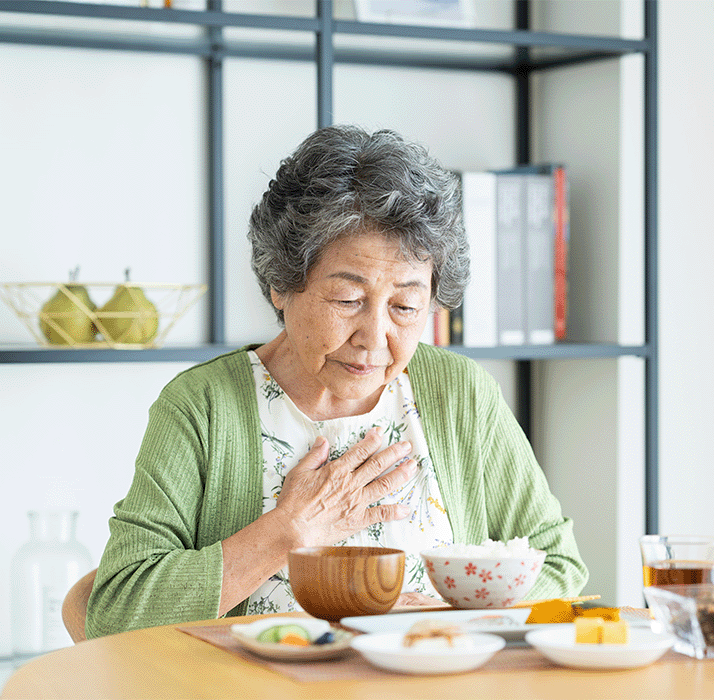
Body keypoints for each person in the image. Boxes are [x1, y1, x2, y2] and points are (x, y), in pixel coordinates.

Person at [85, 125, 588, 637]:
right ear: (282, 284)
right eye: (348, 300)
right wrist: (289, 529)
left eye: (405, 306)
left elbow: (559, 568)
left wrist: (446, 612)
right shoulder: (204, 407)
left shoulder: (458, 393)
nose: (374, 337)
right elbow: (116, 611)